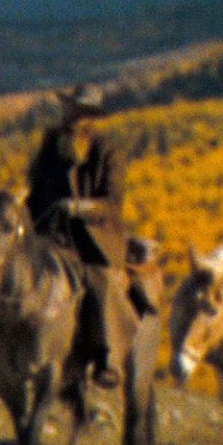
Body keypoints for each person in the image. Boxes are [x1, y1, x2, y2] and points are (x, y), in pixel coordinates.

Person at [27, 87, 151, 384]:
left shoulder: (108, 151)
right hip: (49, 230)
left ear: (89, 118)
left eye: (77, 111)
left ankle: (107, 358)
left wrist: (78, 207)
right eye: (70, 109)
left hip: (93, 238)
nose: (70, 116)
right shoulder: (51, 145)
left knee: (102, 280)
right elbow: (37, 187)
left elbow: (112, 203)